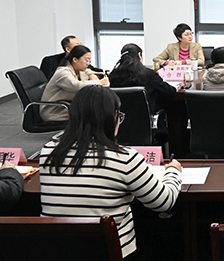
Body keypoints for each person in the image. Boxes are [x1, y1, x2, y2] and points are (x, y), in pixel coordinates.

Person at [40, 85, 182, 259]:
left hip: (56, 251)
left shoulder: (48, 152)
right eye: (119, 116)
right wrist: (173, 171)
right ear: (112, 118)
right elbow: (164, 202)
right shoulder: (124, 158)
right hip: (109, 252)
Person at [40, 45, 109, 122]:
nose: (88, 63)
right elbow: (76, 85)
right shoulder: (63, 72)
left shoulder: (77, 70)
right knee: (96, 112)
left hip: (67, 105)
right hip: (55, 111)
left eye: (90, 61)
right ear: (75, 59)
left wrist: (92, 75)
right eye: (87, 60)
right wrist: (99, 82)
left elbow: (88, 71)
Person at [109, 43, 177, 118]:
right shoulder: (149, 74)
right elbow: (171, 92)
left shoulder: (113, 76)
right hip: (145, 119)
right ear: (139, 55)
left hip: (121, 120)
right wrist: (162, 81)